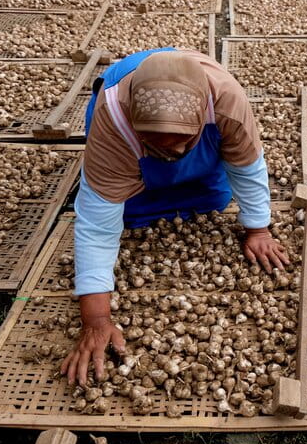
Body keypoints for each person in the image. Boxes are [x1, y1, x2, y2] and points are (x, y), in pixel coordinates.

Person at [61, 48, 290, 386]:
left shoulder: (228, 102)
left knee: (213, 196)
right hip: (122, 123)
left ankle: (179, 153)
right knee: (129, 211)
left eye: (183, 140)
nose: (174, 151)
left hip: (206, 114)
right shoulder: (114, 118)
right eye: (157, 142)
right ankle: (149, 160)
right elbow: (97, 224)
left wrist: (258, 229)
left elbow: (246, 167)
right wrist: (96, 319)